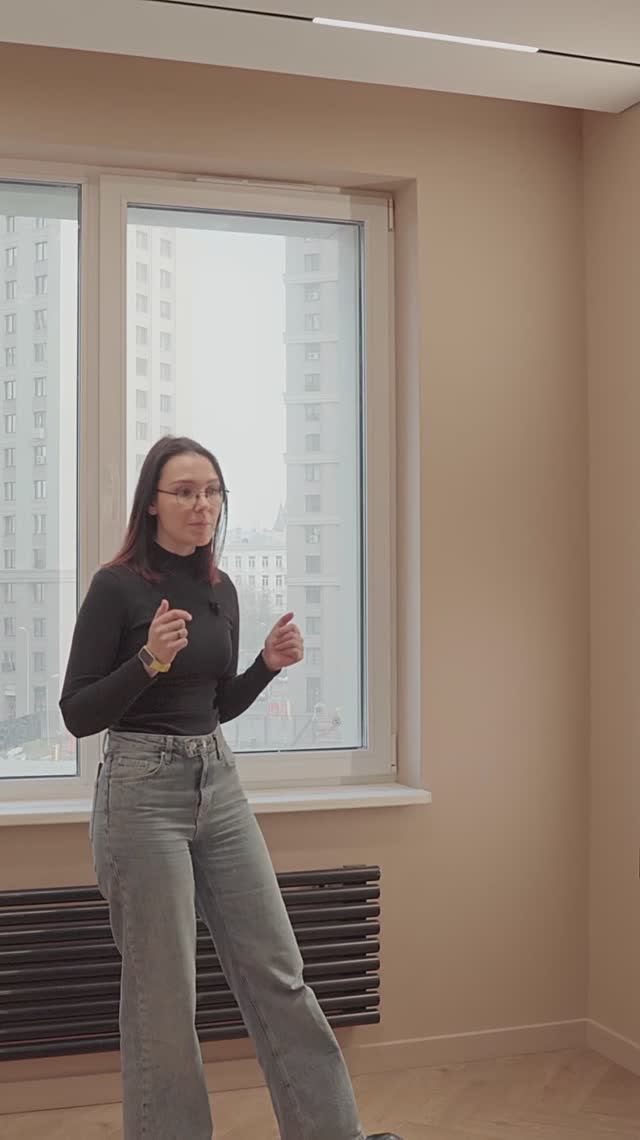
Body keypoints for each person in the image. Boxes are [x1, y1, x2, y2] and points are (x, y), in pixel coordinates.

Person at [60, 435, 402, 1140]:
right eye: (185, 491)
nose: (202, 505)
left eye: (212, 491)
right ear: (151, 504)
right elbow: (78, 713)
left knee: (279, 971)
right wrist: (147, 661)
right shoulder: (116, 587)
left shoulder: (222, 590)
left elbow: (214, 706)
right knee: (163, 997)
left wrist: (266, 667)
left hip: (217, 780)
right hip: (140, 791)